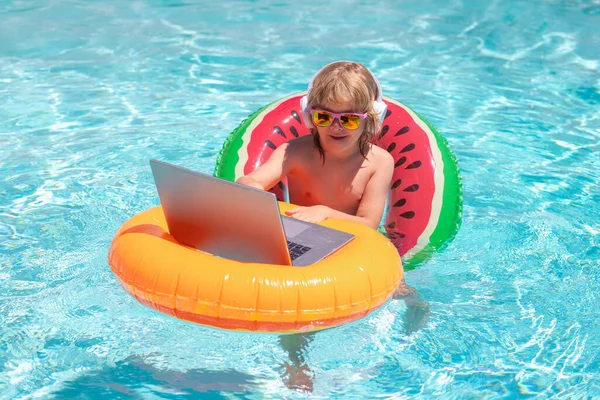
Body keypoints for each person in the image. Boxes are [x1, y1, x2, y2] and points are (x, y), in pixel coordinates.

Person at [237, 61, 429, 391]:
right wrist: (249, 186)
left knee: (412, 299)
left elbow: (369, 223)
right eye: (324, 117)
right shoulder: (294, 152)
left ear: (371, 117)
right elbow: (253, 179)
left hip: (355, 244)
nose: (336, 127)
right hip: (302, 242)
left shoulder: (378, 163)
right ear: (310, 115)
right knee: (296, 314)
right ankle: (296, 365)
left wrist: (324, 212)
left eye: (350, 119)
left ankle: (408, 348)